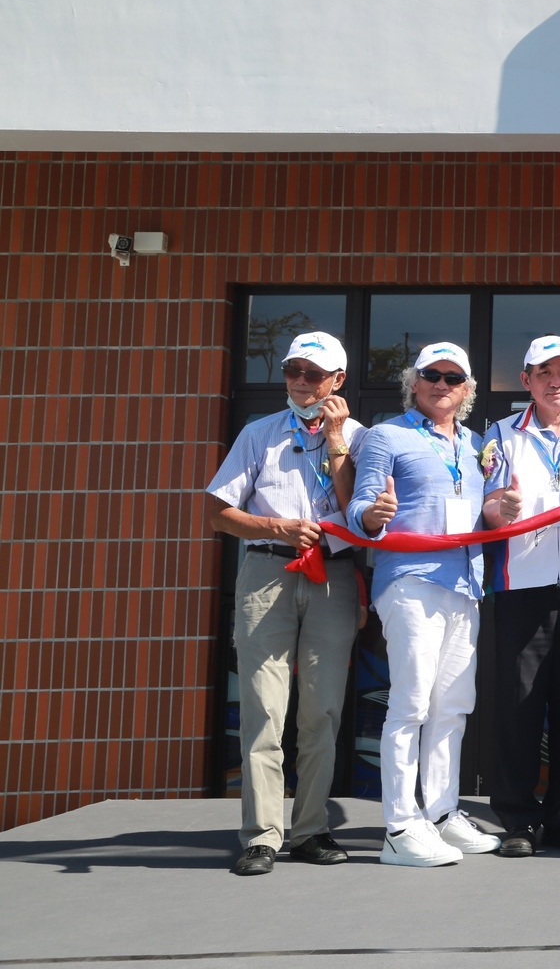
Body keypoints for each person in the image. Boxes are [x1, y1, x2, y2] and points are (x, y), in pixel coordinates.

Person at [206, 332, 363, 876]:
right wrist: (274, 524)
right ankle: (261, 835)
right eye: (293, 369)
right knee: (264, 709)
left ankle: (311, 829)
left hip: (333, 577)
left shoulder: (363, 438)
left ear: (337, 381)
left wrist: (339, 435)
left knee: (322, 709)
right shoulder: (258, 433)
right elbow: (217, 513)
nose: (301, 381)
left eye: (314, 373)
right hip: (267, 571)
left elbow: (358, 511)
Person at [348, 341, 501, 868]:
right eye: (432, 375)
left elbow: (482, 515)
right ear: (415, 383)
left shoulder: (476, 445)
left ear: (467, 390)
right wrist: (374, 514)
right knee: (410, 705)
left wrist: (499, 509)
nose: (442, 384)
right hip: (410, 581)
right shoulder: (387, 435)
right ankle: (399, 826)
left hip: (465, 584)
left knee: (452, 708)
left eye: (453, 378)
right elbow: (359, 508)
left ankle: (440, 814)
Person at [479, 335, 560, 858]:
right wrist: (499, 511)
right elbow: (486, 509)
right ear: (526, 381)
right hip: (522, 584)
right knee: (518, 706)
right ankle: (516, 819)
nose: (556, 381)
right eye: (545, 372)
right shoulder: (499, 435)